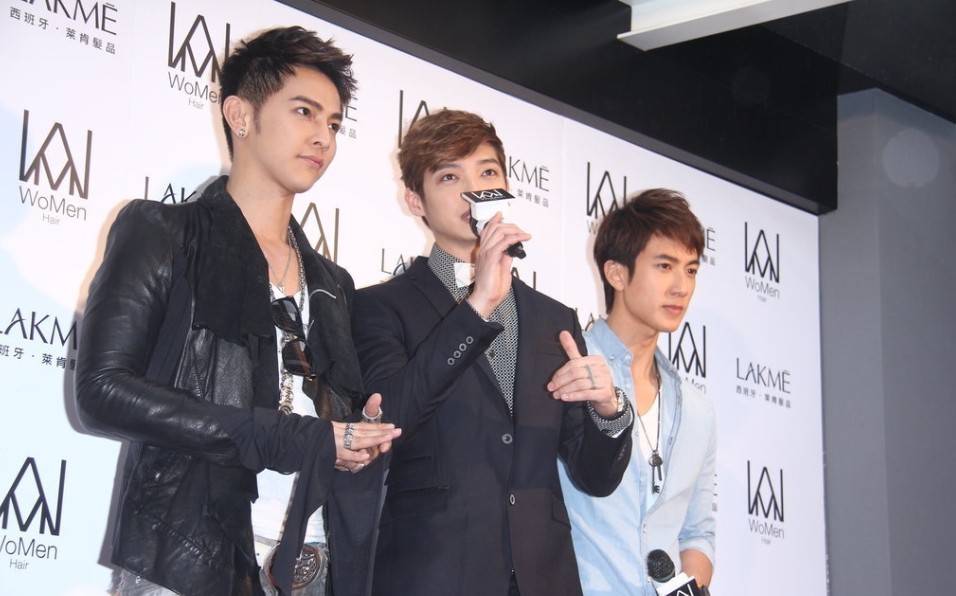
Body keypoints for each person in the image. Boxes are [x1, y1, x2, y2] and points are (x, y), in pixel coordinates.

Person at [75, 26, 400, 596]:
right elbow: (102, 390)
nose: (322, 137)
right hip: (189, 550)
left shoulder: (333, 282)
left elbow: (318, 424)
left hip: (314, 558)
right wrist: (279, 436)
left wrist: (355, 434)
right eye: (304, 112)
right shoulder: (165, 233)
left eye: (333, 123)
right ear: (240, 115)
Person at [351, 109, 634, 596]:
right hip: (432, 573)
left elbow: (594, 476)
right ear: (415, 200)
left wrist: (609, 410)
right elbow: (388, 422)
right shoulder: (380, 307)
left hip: (543, 577)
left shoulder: (555, 318)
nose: (472, 191)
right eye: (449, 177)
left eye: (486, 173)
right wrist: (477, 306)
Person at [558, 188, 716, 595]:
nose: (681, 287)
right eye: (665, 266)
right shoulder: (569, 367)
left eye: (691, 270)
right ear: (616, 274)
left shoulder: (697, 409)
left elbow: (697, 533)